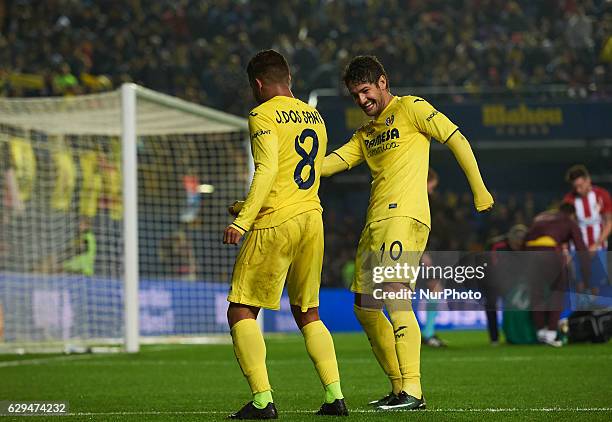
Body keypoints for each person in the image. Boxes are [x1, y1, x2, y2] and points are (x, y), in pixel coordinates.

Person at [321, 56, 493, 410]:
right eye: (355, 95)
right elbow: (329, 164)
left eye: (365, 91)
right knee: (366, 309)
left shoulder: (412, 108)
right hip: (375, 223)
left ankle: (413, 391)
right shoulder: (365, 133)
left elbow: (455, 137)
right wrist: (289, 169)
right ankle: (399, 386)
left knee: (395, 295)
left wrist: (479, 189)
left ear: (382, 82)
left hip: (406, 217)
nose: (361, 101)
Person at [223, 50, 347, 419]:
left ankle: (263, 402)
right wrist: (247, 204)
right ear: (288, 80)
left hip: (276, 220)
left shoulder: (261, 114)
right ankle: (334, 396)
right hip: (312, 218)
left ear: (258, 84)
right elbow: (297, 173)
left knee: (241, 309)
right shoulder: (316, 116)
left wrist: (242, 220)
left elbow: (267, 170)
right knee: (308, 311)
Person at [524, 203, 591, 347]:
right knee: (558, 291)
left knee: (536, 294)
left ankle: (541, 332)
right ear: (572, 214)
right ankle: (551, 334)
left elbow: (526, 238)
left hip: (529, 255)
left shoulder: (540, 217)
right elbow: (581, 250)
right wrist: (586, 278)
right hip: (549, 254)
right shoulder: (568, 220)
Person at [563, 165, 611, 295]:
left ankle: (596, 313)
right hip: (577, 248)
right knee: (580, 285)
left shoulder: (602, 195)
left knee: (596, 284)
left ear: (588, 180)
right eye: (575, 187)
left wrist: (596, 245)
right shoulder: (569, 199)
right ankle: (582, 313)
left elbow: (609, 222)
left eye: (581, 185)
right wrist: (565, 250)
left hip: (598, 245)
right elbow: (565, 227)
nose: (578, 190)